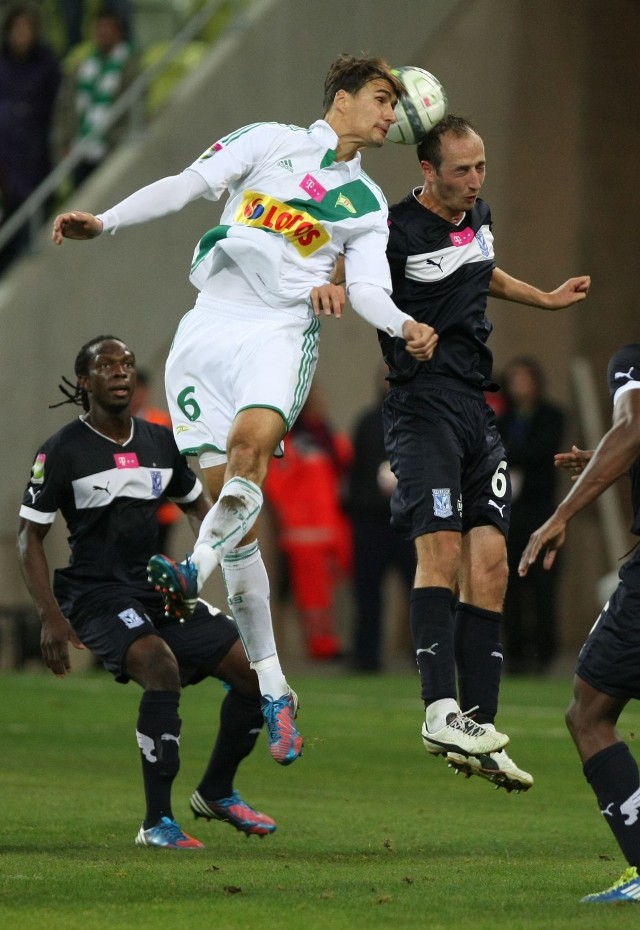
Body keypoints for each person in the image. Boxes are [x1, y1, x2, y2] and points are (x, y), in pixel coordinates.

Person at [50, 54, 439, 768]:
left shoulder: (366, 204)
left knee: (247, 453)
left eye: (397, 104)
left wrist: (400, 325)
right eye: (383, 99)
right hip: (206, 329)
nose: (393, 113)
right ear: (344, 99)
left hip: (279, 330)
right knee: (235, 519)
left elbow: (376, 289)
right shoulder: (267, 140)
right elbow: (185, 186)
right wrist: (103, 221)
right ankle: (274, 685)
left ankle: (189, 573)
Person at [379, 113, 590, 790]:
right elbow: (351, 282)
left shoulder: (479, 212)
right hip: (422, 405)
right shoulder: (390, 229)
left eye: (482, 167)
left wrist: (546, 299)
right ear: (427, 171)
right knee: (439, 550)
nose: (475, 181)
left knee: (492, 563)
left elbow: (484, 271)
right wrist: (400, 326)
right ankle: (439, 708)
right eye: (462, 170)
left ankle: (480, 726)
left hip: (475, 404)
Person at [17, 335, 276, 849]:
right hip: (96, 595)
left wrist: (200, 570)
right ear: (85, 381)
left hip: (157, 589)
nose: (120, 372)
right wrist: (50, 615)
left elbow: (203, 509)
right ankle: (156, 822)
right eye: (106, 365)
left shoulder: (160, 442)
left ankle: (217, 791)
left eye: (127, 364)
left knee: (252, 673)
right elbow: (29, 537)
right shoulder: (63, 449)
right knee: (160, 666)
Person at [518, 343, 640, 903]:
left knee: (589, 711)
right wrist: (601, 456)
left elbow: (634, 427)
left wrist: (561, 513)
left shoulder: (631, 361)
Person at [264, 382, 352, 661]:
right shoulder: (289, 442)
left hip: (333, 528)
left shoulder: (326, 437)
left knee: (329, 593)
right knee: (311, 595)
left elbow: (346, 461)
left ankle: (328, 640)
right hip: (305, 533)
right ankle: (320, 645)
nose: (320, 402)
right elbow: (277, 486)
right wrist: (293, 519)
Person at [497, 356, 566, 674]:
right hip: (510, 510)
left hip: (541, 509)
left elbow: (545, 452)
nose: (519, 385)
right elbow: (492, 451)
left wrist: (513, 453)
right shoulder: (502, 418)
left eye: (525, 378)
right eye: (515, 379)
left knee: (543, 582)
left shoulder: (552, 416)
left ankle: (544, 651)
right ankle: (514, 652)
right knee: (508, 580)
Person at [344, 371, 415, 672]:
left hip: (410, 520)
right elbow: (355, 471)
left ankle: (427, 656)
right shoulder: (368, 422)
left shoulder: (418, 421)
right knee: (368, 592)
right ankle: (366, 656)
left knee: (421, 591)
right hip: (372, 520)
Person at [0, 2, 61, 271]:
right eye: (17, 28)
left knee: (29, 225)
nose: (21, 35)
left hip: (36, 157)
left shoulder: (47, 64)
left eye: (27, 29)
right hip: (5, 156)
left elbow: (57, 109)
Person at [51, 6, 139, 187]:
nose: (104, 32)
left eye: (109, 28)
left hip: (110, 151)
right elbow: (65, 105)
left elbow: (135, 107)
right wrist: (63, 140)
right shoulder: (82, 66)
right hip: (80, 152)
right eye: (100, 28)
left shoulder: (130, 67)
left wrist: (118, 142)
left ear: (119, 32)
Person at [131, 367, 182, 554]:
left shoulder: (161, 422)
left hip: (161, 511)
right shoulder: (121, 425)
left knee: (160, 558)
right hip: (132, 511)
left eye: (138, 389)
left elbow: (174, 464)